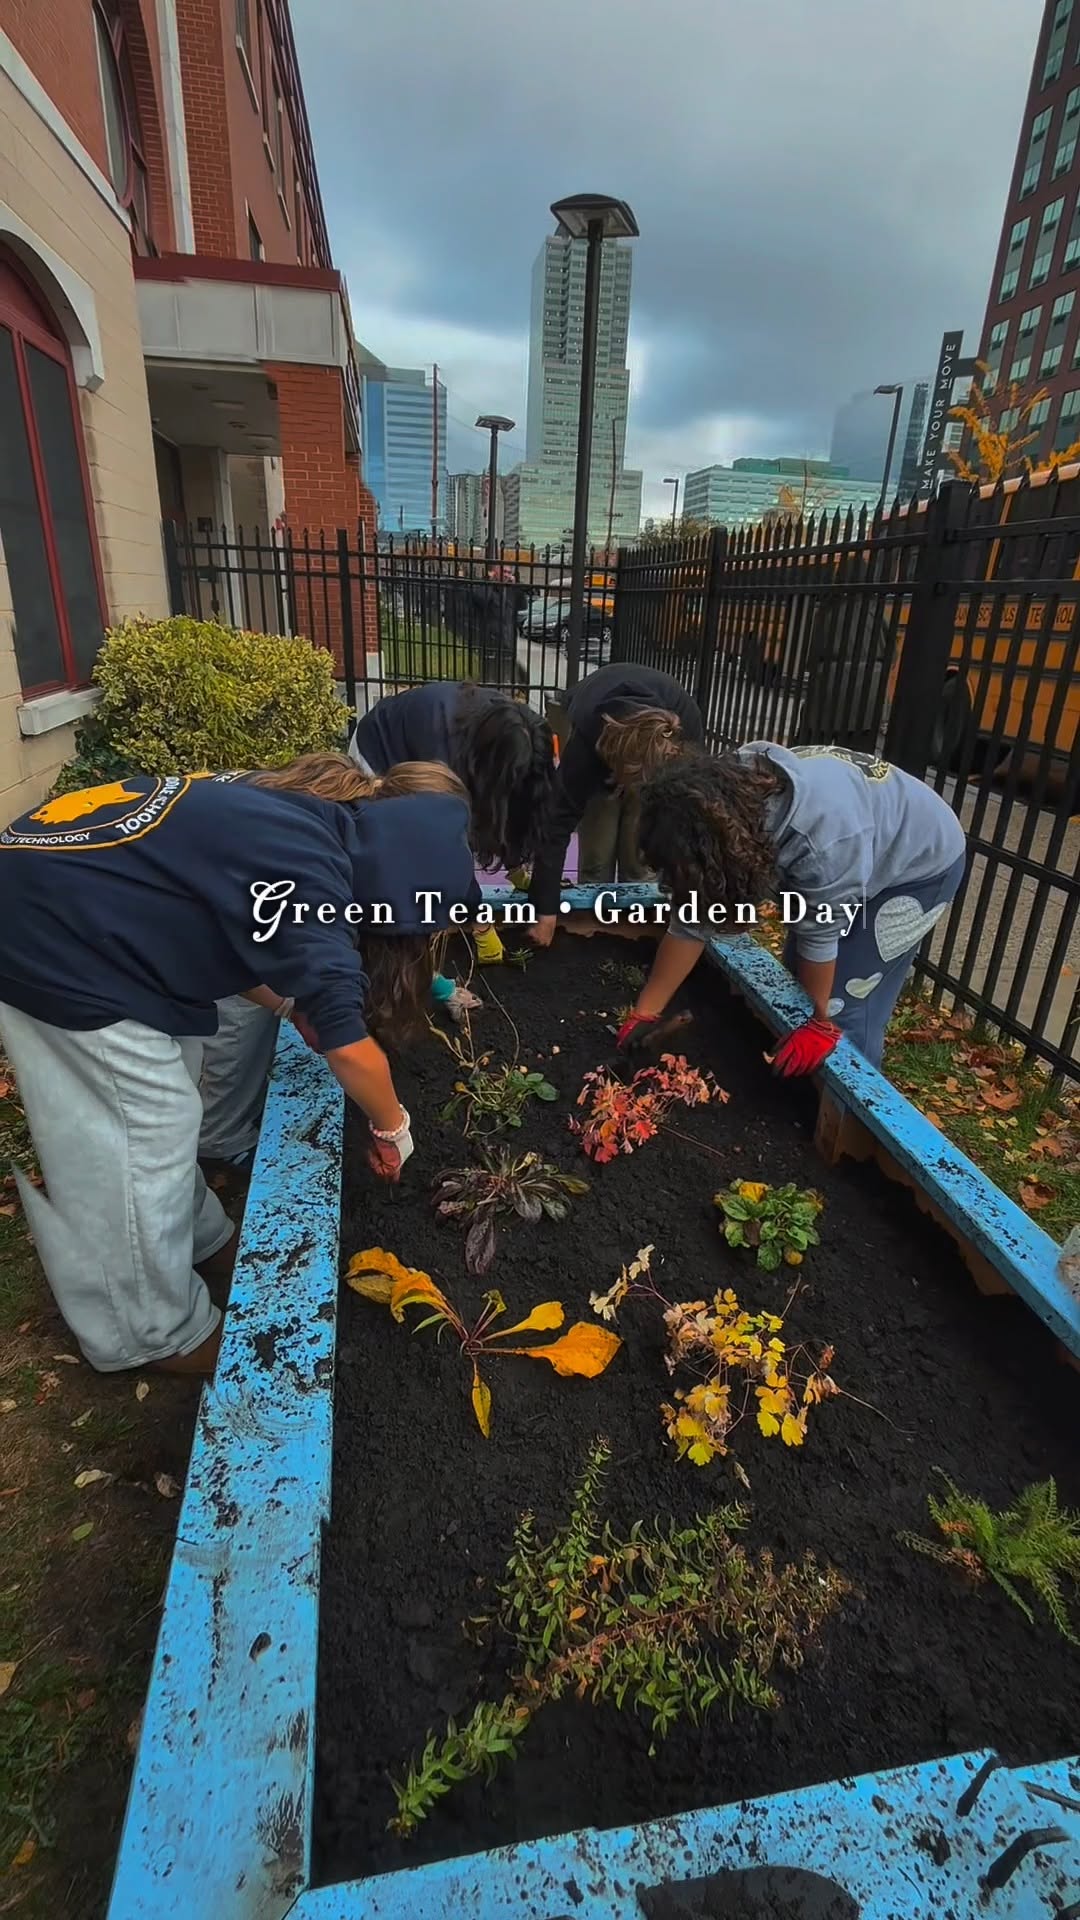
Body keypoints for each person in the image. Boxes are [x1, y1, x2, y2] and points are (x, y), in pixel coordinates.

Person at [0, 768, 479, 1376]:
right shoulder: (318, 893)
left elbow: (232, 931)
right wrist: (392, 1127)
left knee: (168, 1103)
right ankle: (147, 1332)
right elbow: (352, 1050)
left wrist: (287, 1003)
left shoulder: (315, 824)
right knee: (135, 1132)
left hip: (67, 893)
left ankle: (196, 1237)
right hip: (52, 933)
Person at [616, 742, 967, 1073]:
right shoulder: (724, 808)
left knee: (843, 1007)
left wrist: (820, 1022)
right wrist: (647, 1011)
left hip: (917, 865)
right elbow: (693, 919)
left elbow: (821, 931)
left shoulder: (821, 843)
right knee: (800, 980)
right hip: (858, 844)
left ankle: (850, 1116)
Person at [197, 753, 471, 1168]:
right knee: (236, 1023)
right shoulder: (313, 864)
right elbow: (341, 1039)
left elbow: (392, 925)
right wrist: (391, 1128)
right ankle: (221, 1140)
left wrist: (436, 984)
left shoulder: (349, 814)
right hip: (184, 910)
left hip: (209, 887)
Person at [350, 678, 554, 987]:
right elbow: (447, 846)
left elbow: (514, 800)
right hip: (380, 752)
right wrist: (480, 922)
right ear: (489, 760)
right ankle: (412, 969)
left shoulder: (521, 731)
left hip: (436, 748)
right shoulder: (442, 751)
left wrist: (514, 863)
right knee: (406, 860)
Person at [526, 663, 703, 947]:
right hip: (594, 728)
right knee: (598, 852)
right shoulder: (587, 745)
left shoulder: (686, 734)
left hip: (656, 757)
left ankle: (637, 921)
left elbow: (685, 818)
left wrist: (682, 887)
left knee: (638, 856)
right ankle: (592, 926)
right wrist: (546, 911)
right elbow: (556, 824)